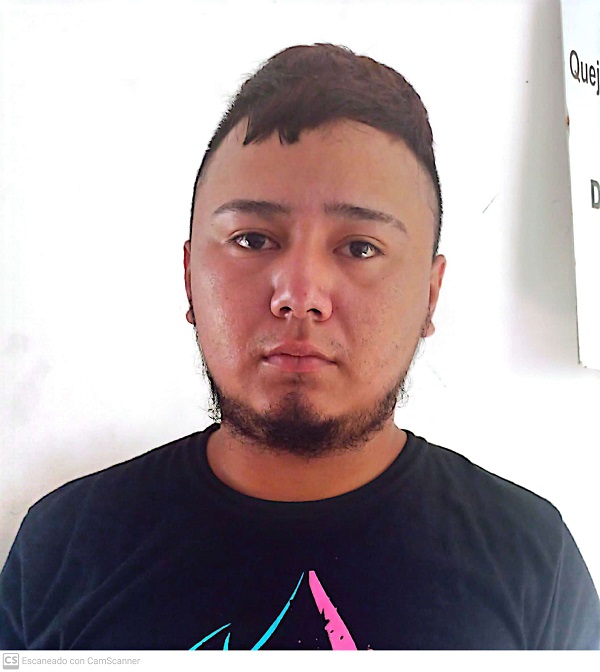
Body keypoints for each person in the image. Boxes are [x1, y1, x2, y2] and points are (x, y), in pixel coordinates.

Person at [1, 43, 599, 651]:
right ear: (188, 278)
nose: (299, 294)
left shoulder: (533, 562)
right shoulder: (61, 548)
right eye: (252, 239)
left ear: (429, 295)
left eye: (360, 248)